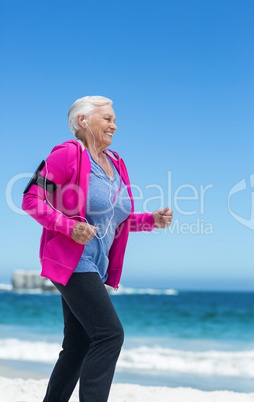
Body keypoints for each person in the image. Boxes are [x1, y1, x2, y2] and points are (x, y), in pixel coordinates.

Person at [22, 95, 173, 402]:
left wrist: (151, 220)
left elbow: (118, 221)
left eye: (114, 119)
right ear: (84, 121)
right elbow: (31, 199)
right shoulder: (66, 154)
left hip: (95, 265)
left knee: (78, 344)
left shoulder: (117, 164)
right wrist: (68, 226)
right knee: (109, 334)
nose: (114, 125)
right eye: (107, 118)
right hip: (72, 263)